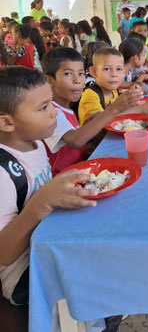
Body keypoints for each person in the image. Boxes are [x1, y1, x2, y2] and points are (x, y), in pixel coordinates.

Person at [0, 66, 98, 306]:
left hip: (50, 242)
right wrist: (41, 202)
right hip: (24, 271)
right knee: (100, 278)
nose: (55, 114)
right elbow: (4, 253)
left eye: (51, 104)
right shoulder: (3, 171)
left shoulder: (35, 144)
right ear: (6, 122)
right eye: (43, 108)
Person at [42, 47, 142, 175]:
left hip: (82, 166)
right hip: (65, 178)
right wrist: (113, 109)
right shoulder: (51, 112)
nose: (77, 80)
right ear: (50, 80)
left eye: (81, 73)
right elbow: (75, 141)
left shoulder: (67, 108)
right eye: (68, 74)